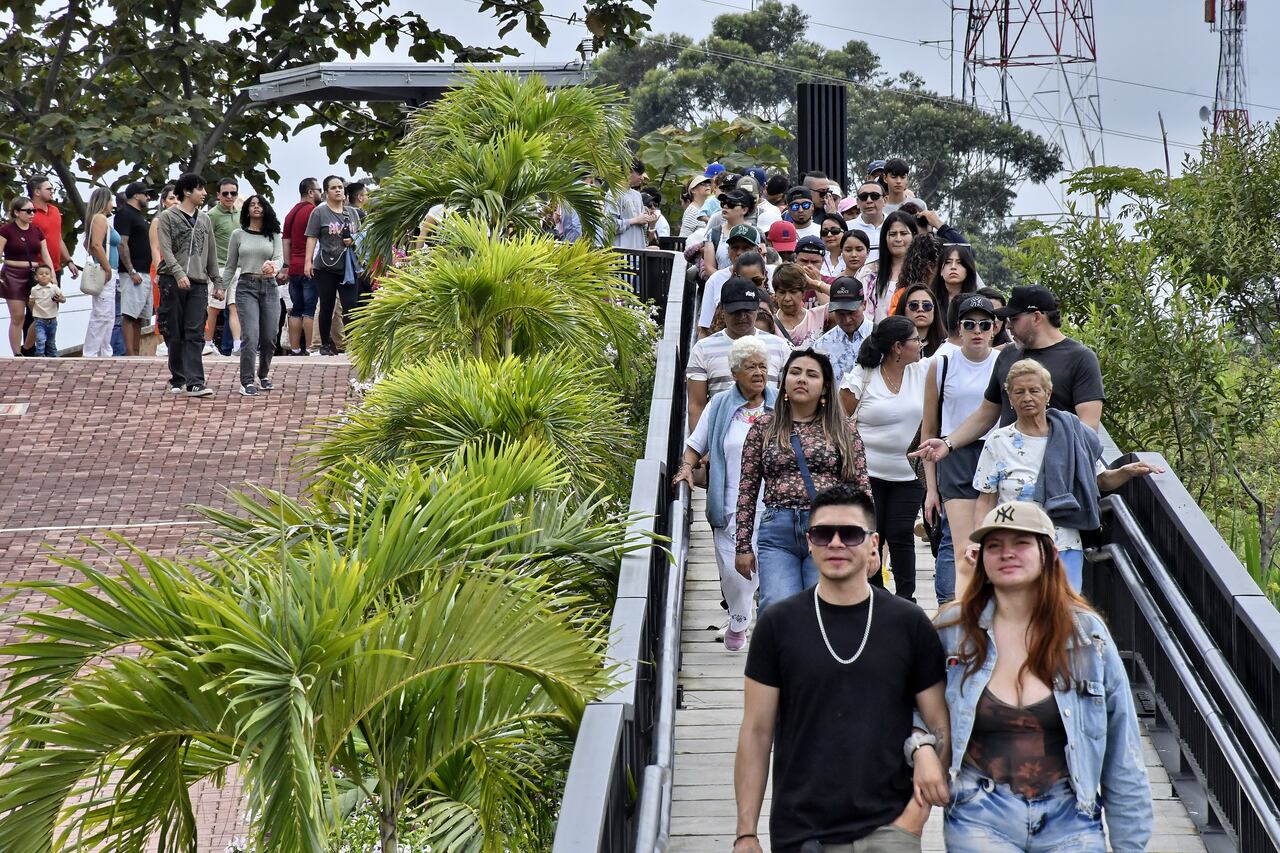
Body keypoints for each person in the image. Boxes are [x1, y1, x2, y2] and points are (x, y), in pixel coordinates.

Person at [915, 501, 1153, 853]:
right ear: (981, 559)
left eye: (1021, 543)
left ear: (1049, 553)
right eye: (994, 546)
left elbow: (1123, 749)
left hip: (1072, 813)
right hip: (980, 810)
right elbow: (912, 703)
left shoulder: (1088, 636)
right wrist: (921, 749)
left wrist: (1129, 844)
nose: (1006, 554)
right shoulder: (953, 631)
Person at [734, 482, 949, 853]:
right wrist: (746, 833)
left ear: (873, 543)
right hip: (801, 832)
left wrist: (914, 817)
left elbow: (940, 722)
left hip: (889, 827)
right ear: (809, 542)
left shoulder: (909, 623)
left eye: (850, 534)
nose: (835, 543)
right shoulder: (777, 624)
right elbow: (756, 732)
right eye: (822, 534)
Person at [971, 359, 1161, 588]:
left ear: (1048, 394)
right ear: (1010, 398)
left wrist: (1126, 472)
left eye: (1034, 390)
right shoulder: (999, 441)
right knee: (1020, 615)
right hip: (1013, 548)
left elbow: (1101, 480)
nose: (1027, 398)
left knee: (1064, 617)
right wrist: (980, 541)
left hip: (1064, 543)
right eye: (1019, 392)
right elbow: (986, 498)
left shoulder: (1071, 433)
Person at [736, 349, 871, 613]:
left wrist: (868, 539)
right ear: (784, 381)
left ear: (824, 387)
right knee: (775, 606)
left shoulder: (843, 429)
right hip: (778, 530)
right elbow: (747, 489)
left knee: (824, 607)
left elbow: (861, 487)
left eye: (811, 375)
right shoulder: (764, 426)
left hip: (828, 530)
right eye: (795, 373)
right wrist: (742, 545)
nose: (802, 379)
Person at [913, 285, 1105, 471]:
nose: (1007, 326)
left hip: (1058, 472)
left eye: (1014, 319)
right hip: (1008, 472)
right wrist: (948, 443)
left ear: (1037, 317)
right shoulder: (1008, 354)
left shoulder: (1080, 358)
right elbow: (986, 415)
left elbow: (1088, 429)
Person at [674, 336, 777, 651]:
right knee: (734, 571)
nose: (758, 372)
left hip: (772, 502)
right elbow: (695, 444)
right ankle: (739, 617)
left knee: (766, 568)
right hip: (728, 502)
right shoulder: (719, 405)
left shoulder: (780, 404)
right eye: (750, 367)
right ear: (735, 373)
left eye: (762, 366)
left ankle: (758, 625)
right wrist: (687, 468)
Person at [838, 317, 929, 602]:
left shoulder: (923, 372)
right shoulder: (862, 376)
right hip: (868, 474)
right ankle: (876, 595)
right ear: (898, 347)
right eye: (915, 339)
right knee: (873, 534)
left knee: (901, 532)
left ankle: (906, 599)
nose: (920, 344)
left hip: (909, 472)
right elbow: (840, 421)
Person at [921, 294, 1000, 603]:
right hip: (953, 456)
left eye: (984, 324)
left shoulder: (1004, 362)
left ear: (994, 328)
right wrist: (931, 488)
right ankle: (963, 629)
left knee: (994, 543)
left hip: (996, 454)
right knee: (963, 550)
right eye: (970, 324)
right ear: (959, 329)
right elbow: (929, 431)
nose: (977, 331)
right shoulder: (941, 365)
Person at [686, 277, 791, 431]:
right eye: (735, 311)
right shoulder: (703, 349)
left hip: (770, 438)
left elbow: (788, 399)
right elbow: (696, 405)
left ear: (757, 309)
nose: (742, 316)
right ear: (722, 309)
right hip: (722, 436)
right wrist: (702, 451)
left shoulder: (780, 347)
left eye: (747, 311)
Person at [156, 172, 222, 398]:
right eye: (200, 189)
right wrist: (178, 273)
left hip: (198, 282)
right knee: (175, 331)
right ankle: (178, 376)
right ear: (187, 191)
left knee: (195, 331)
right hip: (171, 281)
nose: (204, 193)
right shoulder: (168, 217)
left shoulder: (205, 219)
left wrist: (218, 281)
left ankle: (195, 382)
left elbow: (211, 252)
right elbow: (165, 248)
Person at [224, 195, 283, 397]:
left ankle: (263, 374)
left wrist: (273, 266)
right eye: (252, 205)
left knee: (269, 336)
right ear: (247, 210)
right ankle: (247, 381)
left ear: (266, 209)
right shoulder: (238, 235)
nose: (256, 208)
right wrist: (221, 288)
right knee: (251, 335)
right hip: (246, 286)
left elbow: (279, 257)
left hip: (269, 286)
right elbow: (231, 265)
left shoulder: (273, 233)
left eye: (260, 205)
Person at [304, 175, 359, 357]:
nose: (338, 190)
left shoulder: (352, 213)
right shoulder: (319, 212)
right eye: (333, 188)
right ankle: (325, 345)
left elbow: (360, 235)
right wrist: (308, 261)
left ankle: (352, 345)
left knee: (350, 306)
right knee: (327, 306)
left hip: (348, 267)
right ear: (326, 192)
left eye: (340, 187)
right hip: (325, 266)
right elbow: (311, 237)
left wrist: (354, 240)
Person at [27, 176, 79, 355]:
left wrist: (69, 260)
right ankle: (30, 350)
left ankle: (49, 349)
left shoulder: (55, 211)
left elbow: (58, 238)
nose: (52, 192)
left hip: (55, 269)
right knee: (33, 312)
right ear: (36, 191)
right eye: (48, 188)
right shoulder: (29, 212)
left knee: (52, 310)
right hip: (36, 270)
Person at [0, 196, 54, 355]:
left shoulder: (37, 231)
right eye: (28, 211)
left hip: (34, 276)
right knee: (18, 317)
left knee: (41, 316)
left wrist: (52, 275)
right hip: (13, 275)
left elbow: (46, 254)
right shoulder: (6, 230)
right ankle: (17, 353)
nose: (32, 214)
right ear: (16, 212)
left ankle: (27, 347)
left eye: (34, 211)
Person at [698, 226, 768, 336]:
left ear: (758, 250)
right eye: (735, 248)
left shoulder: (772, 273)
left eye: (746, 248)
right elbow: (704, 329)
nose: (739, 252)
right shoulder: (716, 280)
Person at [114, 182, 154, 355]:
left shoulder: (139, 216)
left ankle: (137, 354)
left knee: (139, 316)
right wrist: (131, 270)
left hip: (145, 271)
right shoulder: (124, 214)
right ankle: (130, 354)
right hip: (133, 273)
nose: (148, 197)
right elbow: (122, 244)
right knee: (129, 315)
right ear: (136, 195)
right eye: (146, 194)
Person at [282, 177, 320, 356]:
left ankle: (296, 348)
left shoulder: (290, 213)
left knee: (296, 309)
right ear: (311, 192)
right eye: (319, 190)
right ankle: (311, 347)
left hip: (294, 267)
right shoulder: (314, 211)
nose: (320, 193)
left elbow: (285, 241)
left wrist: (287, 265)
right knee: (310, 308)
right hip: (309, 265)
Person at [858, 210, 918, 323]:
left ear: (914, 236)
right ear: (884, 238)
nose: (898, 239)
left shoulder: (926, 272)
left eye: (904, 233)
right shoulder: (869, 273)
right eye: (892, 234)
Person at [204, 177, 241, 355]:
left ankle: (237, 345)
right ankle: (207, 344)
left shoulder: (241, 214)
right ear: (218, 195)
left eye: (233, 193)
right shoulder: (211, 216)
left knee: (234, 306)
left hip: (237, 268)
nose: (229, 196)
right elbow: (204, 245)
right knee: (214, 308)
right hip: (217, 268)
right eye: (225, 193)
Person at [82, 188, 120, 358]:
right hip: (106, 270)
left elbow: (87, 243)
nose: (113, 205)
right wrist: (106, 267)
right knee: (102, 313)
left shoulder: (100, 219)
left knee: (108, 314)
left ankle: (104, 350)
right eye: (111, 201)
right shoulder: (100, 219)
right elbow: (96, 245)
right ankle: (91, 352)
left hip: (109, 269)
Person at [815, 277, 873, 382]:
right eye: (840, 314)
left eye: (852, 312)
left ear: (864, 305)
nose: (847, 320)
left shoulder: (879, 337)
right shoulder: (821, 346)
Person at [930, 244, 980, 346]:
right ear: (940, 270)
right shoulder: (929, 301)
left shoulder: (977, 302)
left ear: (968, 269)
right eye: (948, 262)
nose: (953, 267)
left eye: (959, 263)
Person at [771, 263, 828, 347]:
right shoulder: (770, 323)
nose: (787, 298)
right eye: (782, 292)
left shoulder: (818, 316)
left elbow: (850, 300)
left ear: (803, 293)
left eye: (793, 292)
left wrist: (815, 284)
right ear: (775, 294)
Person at [148, 184, 178, 346]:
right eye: (171, 198)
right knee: (162, 306)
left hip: (179, 268)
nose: (175, 201)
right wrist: (159, 272)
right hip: (161, 267)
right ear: (164, 201)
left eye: (178, 198)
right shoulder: (157, 221)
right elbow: (155, 248)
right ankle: (162, 344)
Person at [702, 188, 755, 277]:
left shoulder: (756, 233)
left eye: (731, 204)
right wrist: (728, 282)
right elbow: (708, 268)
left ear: (744, 210)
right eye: (723, 203)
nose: (725, 206)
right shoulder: (713, 233)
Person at [606, 160, 651, 250]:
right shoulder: (614, 194)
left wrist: (647, 219)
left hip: (638, 253)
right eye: (640, 173)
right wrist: (635, 220)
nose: (642, 178)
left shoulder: (637, 195)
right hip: (621, 255)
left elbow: (642, 223)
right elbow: (609, 225)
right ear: (628, 171)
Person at [892, 283, 946, 357]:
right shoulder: (891, 346)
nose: (920, 309)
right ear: (903, 309)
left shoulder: (946, 346)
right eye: (913, 305)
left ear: (934, 310)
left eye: (927, 306)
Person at [27, 264, 64, 357]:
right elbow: (30, 302)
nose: (44, 275)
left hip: (52, 319)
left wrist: (60, 299)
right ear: (36, 277)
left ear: (51, 277)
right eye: (41, 274)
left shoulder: (54, 288)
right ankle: (39, 355)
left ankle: (53, 355)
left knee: (51, 340)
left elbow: (63, 299)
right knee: (40, 339)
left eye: (47, 273)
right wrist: (33, 309)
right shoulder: (34, 289)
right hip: (39, 319)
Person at [849, 180, 887, 266]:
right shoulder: (847, 227)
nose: (869, 200)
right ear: (858, 202)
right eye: (864, 197)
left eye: (875, 196)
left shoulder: (895, 225)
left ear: (885, 200)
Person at [819, 213, 846, 278]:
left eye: (834, 230)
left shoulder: (852, 257)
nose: (829, 235)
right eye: (824, 232)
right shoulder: (817, 258)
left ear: (845, 233)